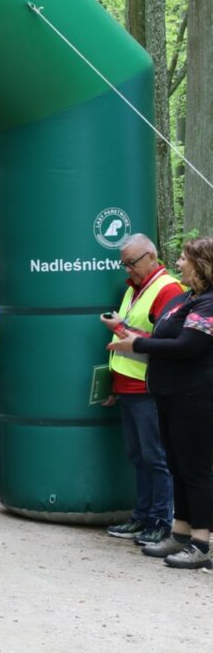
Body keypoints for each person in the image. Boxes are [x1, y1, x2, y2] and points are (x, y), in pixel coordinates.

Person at [108, 237, 213, 569]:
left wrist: (137, 346)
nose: (178, 263)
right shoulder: (184, 299)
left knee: (195, 471)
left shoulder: (208, 304)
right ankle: (179, 534)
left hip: (195, 398)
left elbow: (186, 346)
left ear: (201, 265)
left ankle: (201, 543)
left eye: (183, 258)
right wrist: (130, 335)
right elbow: (160, 337)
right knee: (178, 466)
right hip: (168, 396)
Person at [101, 234, 182, 546]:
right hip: (129, 387)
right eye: (124, 264)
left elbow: (167, 344)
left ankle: (161, 520)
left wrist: (120, 328)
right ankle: (143, 515)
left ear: (151, 256)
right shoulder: (134, 288)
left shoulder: (168, 289)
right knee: (139, 456)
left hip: (149, 388)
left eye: (131, 263)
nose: (127, 269)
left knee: (156, 457)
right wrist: (114, 384)